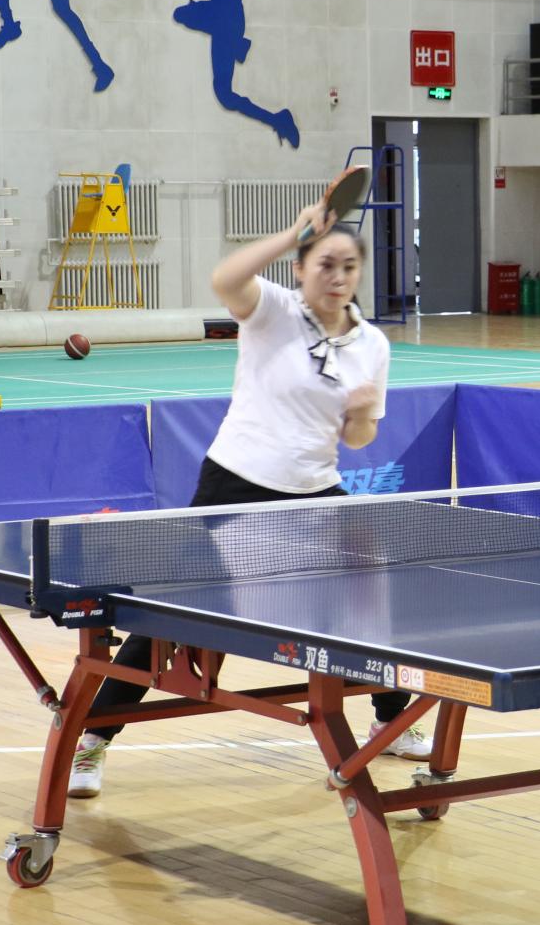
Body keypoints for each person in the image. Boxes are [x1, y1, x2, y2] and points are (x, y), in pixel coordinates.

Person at [68, 197, 429, 798]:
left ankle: (389, 720)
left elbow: (359, 438)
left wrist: (363, 415)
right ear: (300, 268)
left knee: (364, 598)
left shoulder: (371, 345)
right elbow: (225, 279)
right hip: (233, 485)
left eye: (348, 267)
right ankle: (93, 739)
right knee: (173, 617)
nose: (337, 277)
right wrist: (292, 230)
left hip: (314, 492)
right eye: (325, 265)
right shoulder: (273, 312)